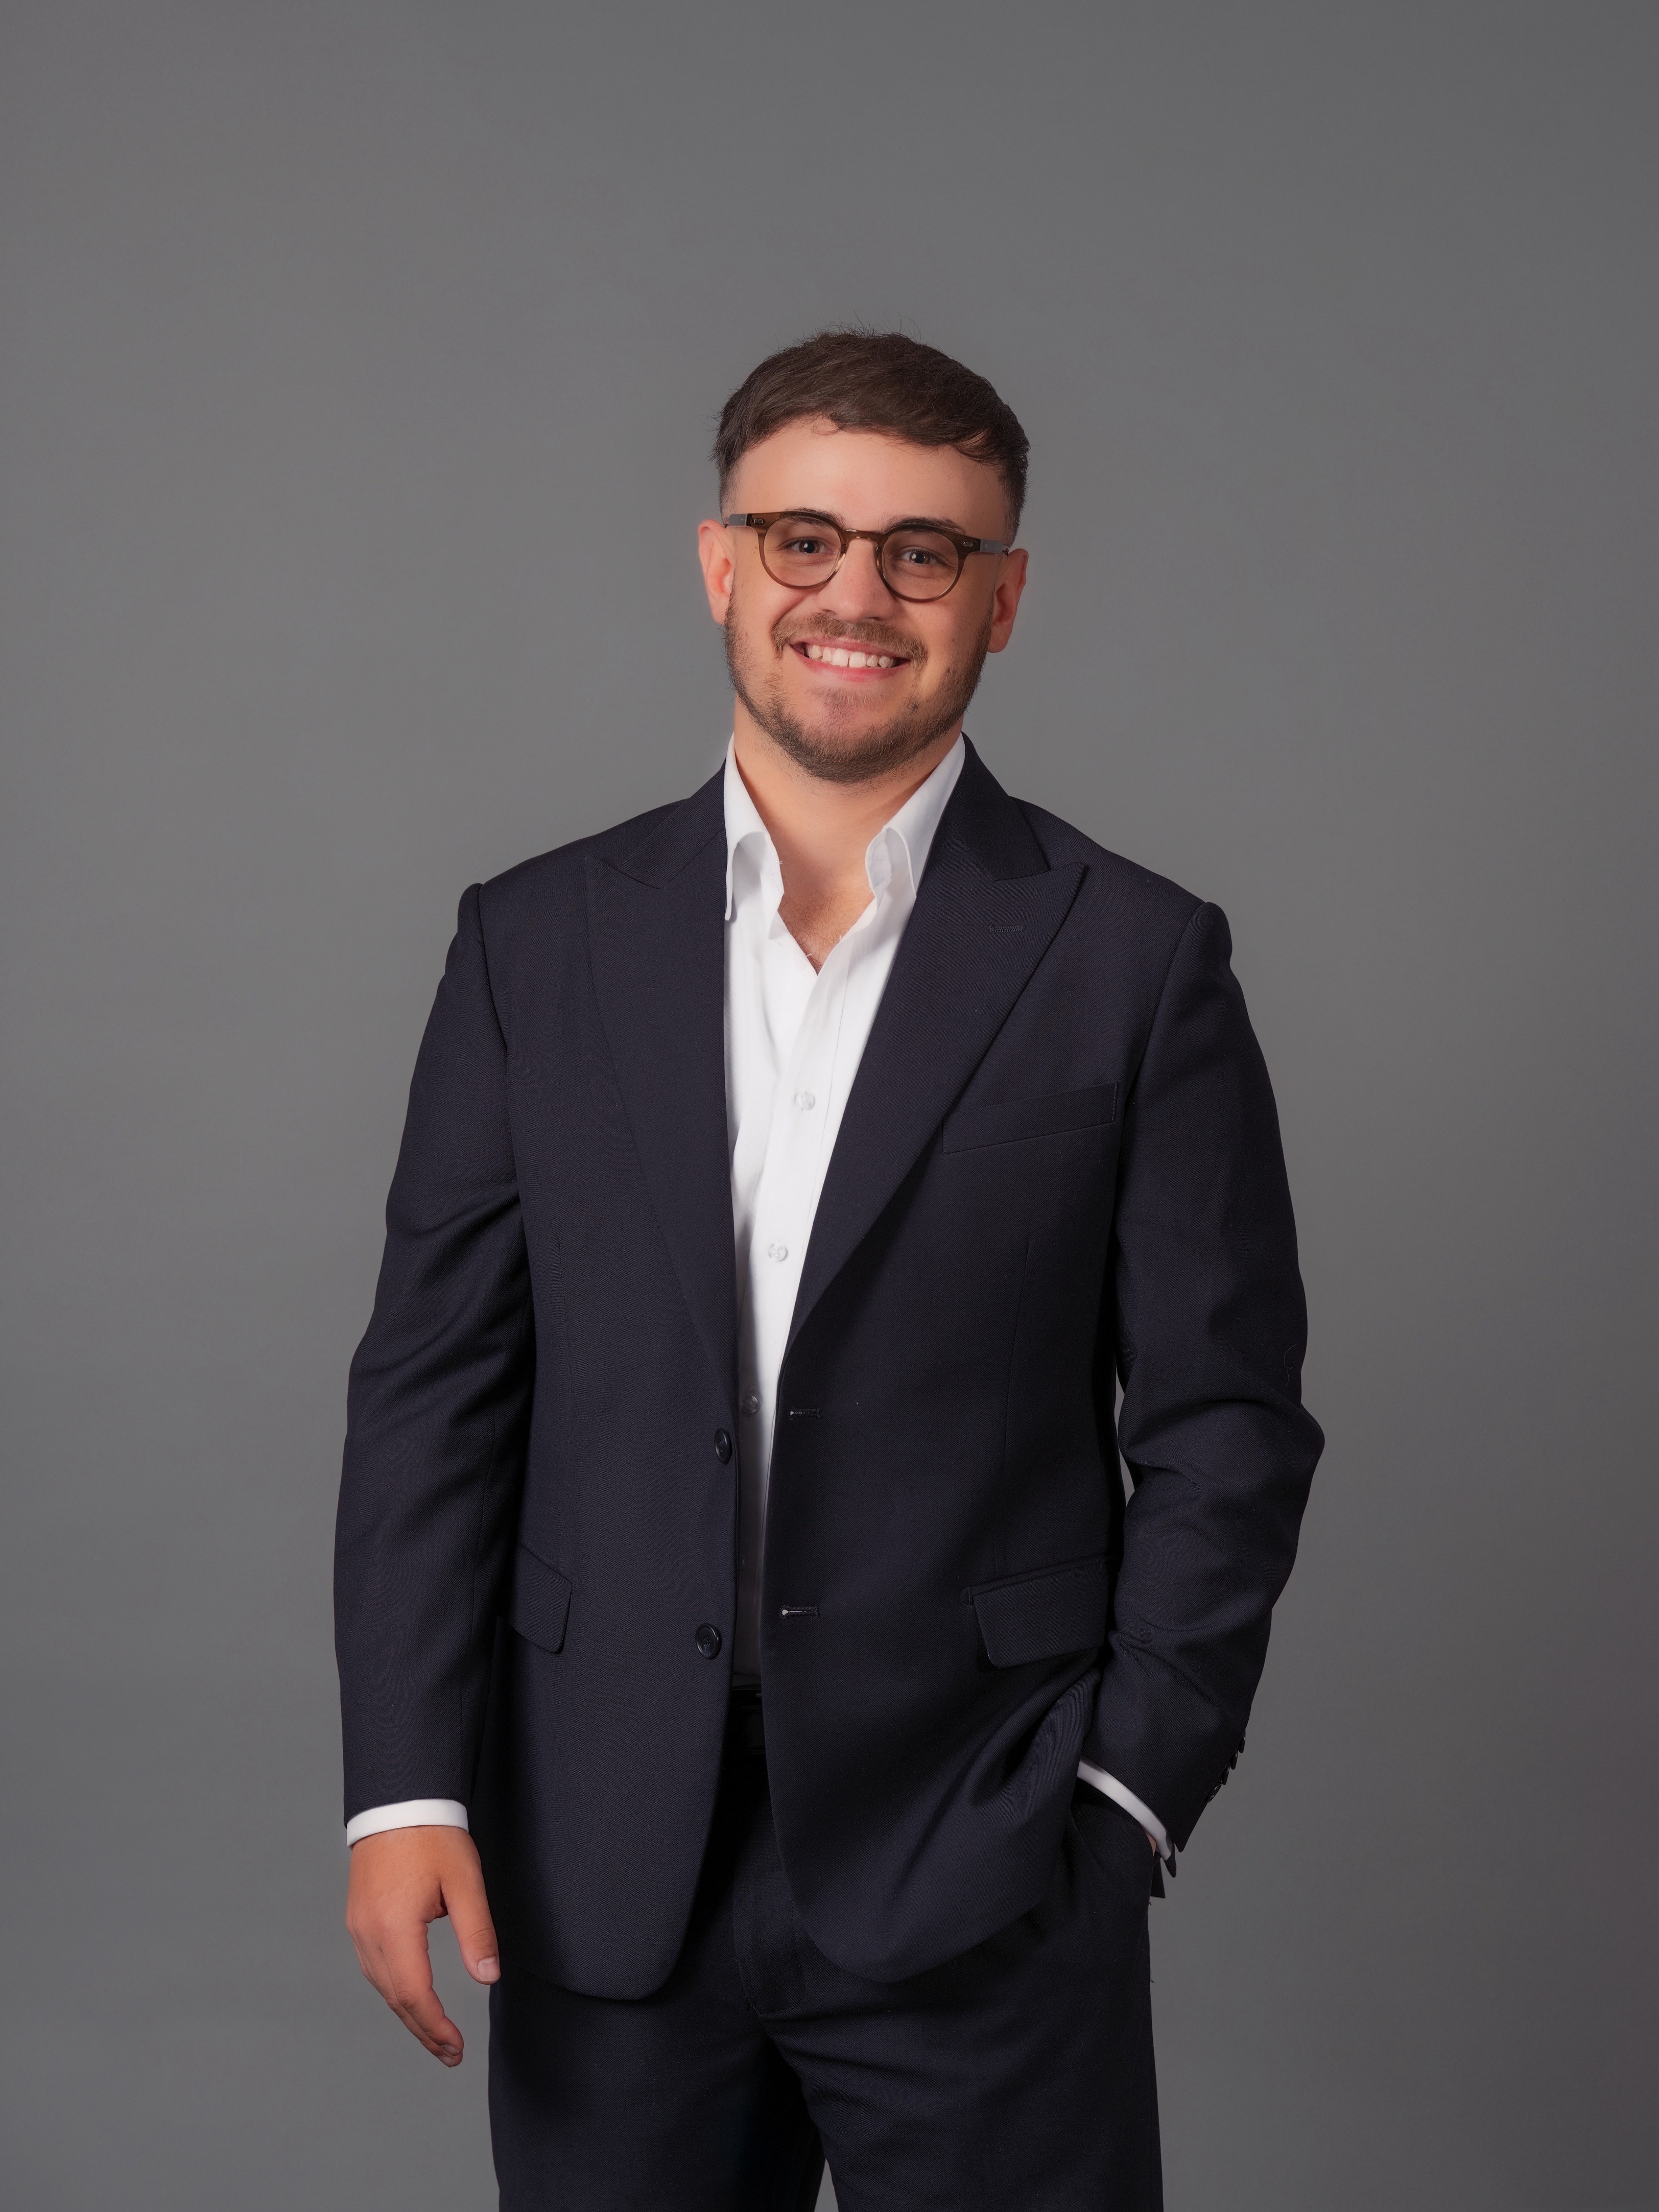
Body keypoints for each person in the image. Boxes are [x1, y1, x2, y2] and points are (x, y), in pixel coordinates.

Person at [335, 329, 1323, 2210]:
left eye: (921, 552)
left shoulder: (1137, 961)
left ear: (1002, 599)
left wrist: (1119, 1808)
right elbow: (434, 1393)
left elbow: (1227, 1427)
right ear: (722, 567)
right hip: (599, 1848)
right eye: (804, 540)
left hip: (990, 1849)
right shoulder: (529, 944)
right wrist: (406, 1784)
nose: (853, 594)